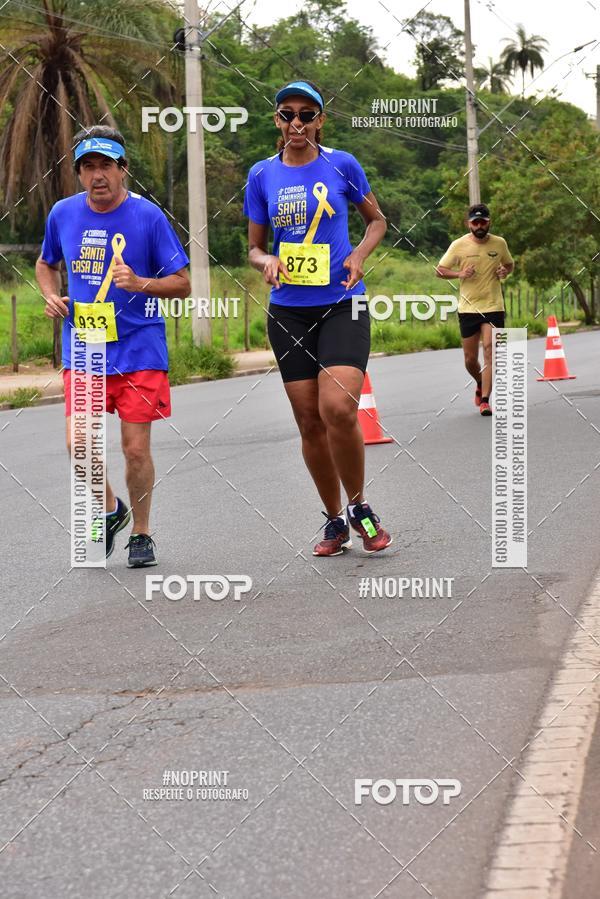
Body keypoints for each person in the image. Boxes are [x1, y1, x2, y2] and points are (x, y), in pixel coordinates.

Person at [243, 80, 391, 556]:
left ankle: (360, 505)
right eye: (288, 114)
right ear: (277, 121)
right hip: (288, 311)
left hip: (343, 302)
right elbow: (253, 245)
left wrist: (359, 256)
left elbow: (376, 220)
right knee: (309, 422)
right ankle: (333, 521)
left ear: (321, 120)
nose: (297, 123)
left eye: (307, 114)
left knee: (338, 408)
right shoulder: (262, 174)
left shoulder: (341, 164)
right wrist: (264, 260)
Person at [36, 125, 190, 566]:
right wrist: (50, 293)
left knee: (135, 448)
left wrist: (140, 283)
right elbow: (46, 264)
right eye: (88, 167)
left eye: (106, 165)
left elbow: (182, 283)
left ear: (123, 169)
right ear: (79, 173)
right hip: (84, 346)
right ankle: (110, 509)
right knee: (77, 443)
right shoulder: (62, 214)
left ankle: (141, 532)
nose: (97, 175)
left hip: (139, 348)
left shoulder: (147, 217)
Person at [436, 203, 514, 416]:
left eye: (483, 221)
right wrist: (459, 275)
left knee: (491, 350)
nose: (479, 225)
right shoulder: (458, 245)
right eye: (475, 222)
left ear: (489, 222)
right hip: (468, 308)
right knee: (470, 360)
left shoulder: (500, 243)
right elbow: (440, 270)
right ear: (468, 223)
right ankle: (479, 382)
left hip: (494, 306)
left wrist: (504, 271)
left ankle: (486, 400)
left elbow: (509, 264)